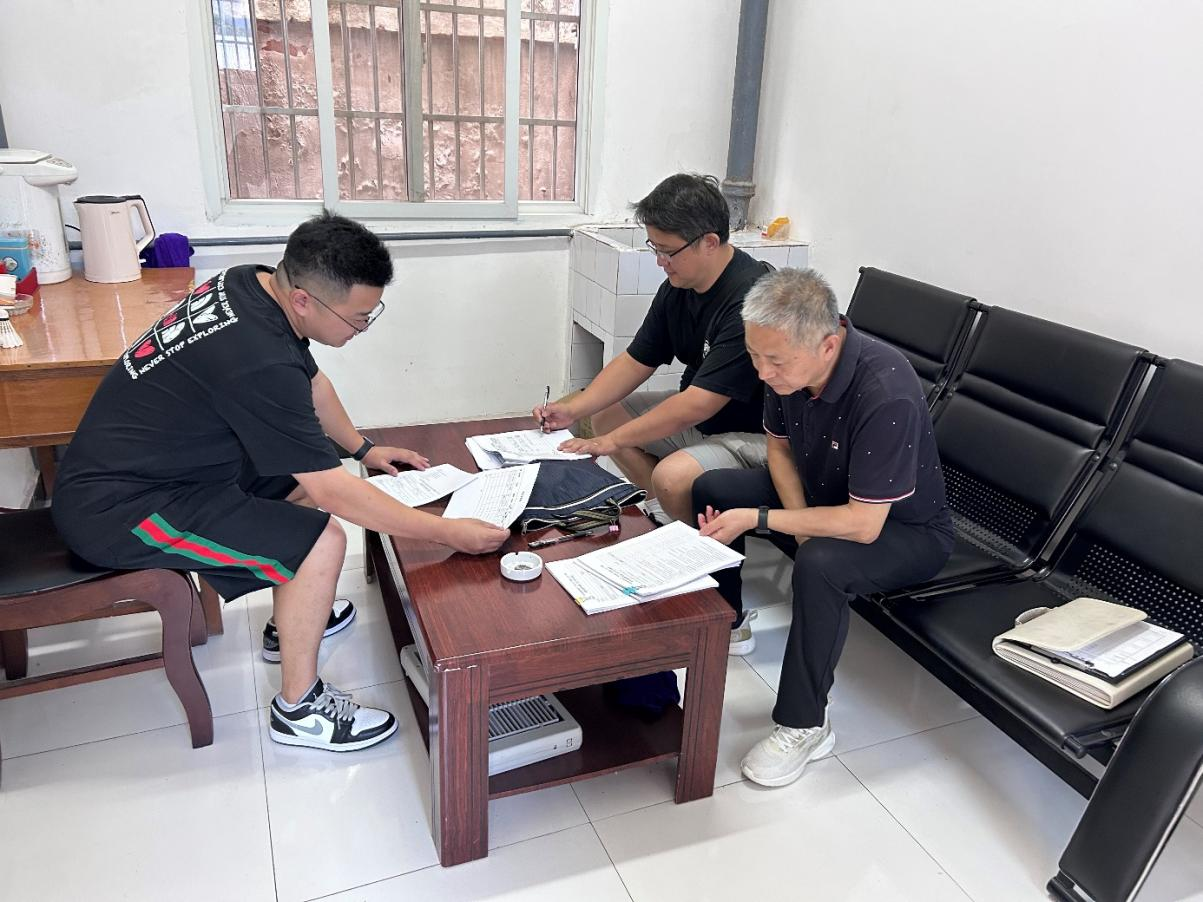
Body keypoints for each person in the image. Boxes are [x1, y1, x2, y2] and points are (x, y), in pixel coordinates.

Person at [52, 211, 508, 753]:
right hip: (120, 509)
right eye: (358, 318)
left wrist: (363, 448)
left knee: (302, 479)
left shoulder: (250, 284)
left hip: (175, 469)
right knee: (322, 539)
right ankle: (299, 709)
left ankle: (290, 620)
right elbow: (333, 492)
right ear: (303, 300)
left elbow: (312, 384)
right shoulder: (257, 355)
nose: (362, 328)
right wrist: (447, 532)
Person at [692, 268, 955, 787]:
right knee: (715, 490)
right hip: (826, 493)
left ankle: (805, 724)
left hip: (906, 532)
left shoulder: (886, 391)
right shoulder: (785, 366)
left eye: (775, 361)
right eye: (754, 356)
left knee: (820, 564)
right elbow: (779, 449)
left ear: (828, 345)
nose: (762, 372)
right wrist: (799, 524)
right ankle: (729, 621)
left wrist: (767, 520)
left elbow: (863, 524)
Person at [535, 173, 769, 540]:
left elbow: (697, 405)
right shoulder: (680, 286)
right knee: (605, 415)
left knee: (670, 476)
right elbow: (635, 360)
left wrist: (612, 442)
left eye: (668, 251)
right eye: (654, 248)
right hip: (702, 420)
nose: (660, 261)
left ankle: (695, 544)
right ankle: (665, 515)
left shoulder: (750, 302)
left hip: (750, 434)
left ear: (709, 242)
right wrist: (574, 409)